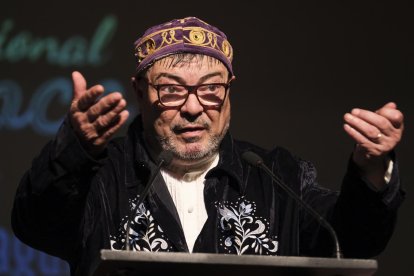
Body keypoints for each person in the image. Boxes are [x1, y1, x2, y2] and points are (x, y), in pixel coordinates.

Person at [12, 17, 405, 275]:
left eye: (211, 89)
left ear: (229, 92)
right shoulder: (100, 175)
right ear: (139, 91)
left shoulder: (277, 176)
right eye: (170, 90)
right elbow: (37, 223)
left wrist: (372, 170)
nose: (194, 107)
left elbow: (352, 242)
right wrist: (76, 150)